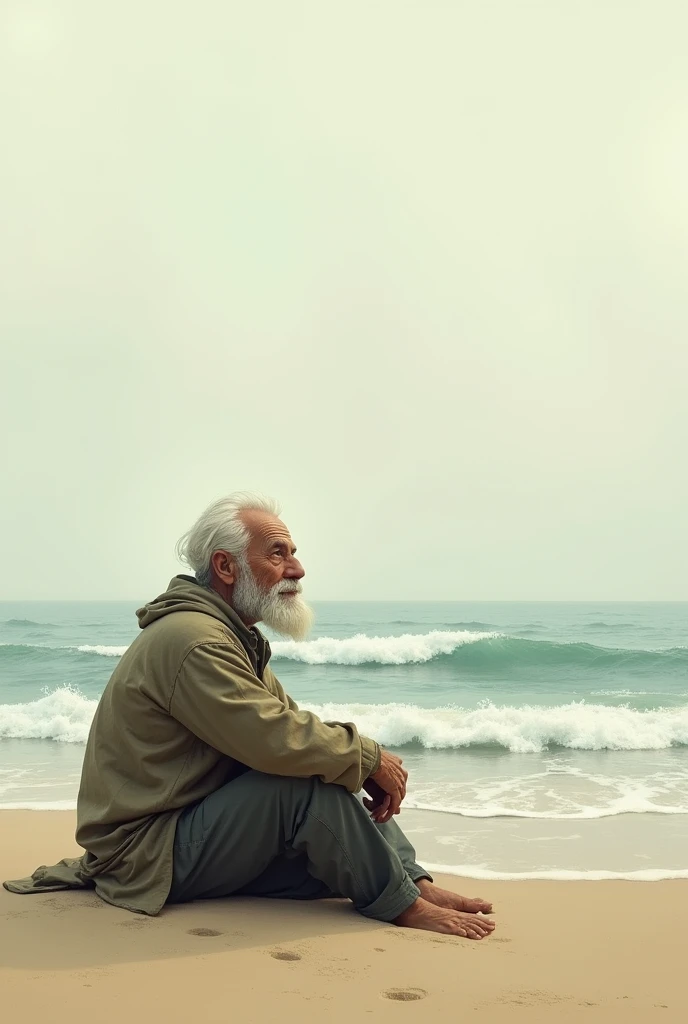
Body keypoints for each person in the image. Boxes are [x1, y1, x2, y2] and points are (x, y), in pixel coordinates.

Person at [4, 493, 494, 939]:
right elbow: (274, 739)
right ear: (226, 566)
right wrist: (367, 758)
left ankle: (409, 882)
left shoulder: (226, 632)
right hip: (146, 853)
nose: (297, 569)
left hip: (187, 831)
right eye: (278, 554)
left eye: (292, 553)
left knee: (330, 774)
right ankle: (401, 904)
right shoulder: (194, 640)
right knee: (308, 779)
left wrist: (359, 762)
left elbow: (288, 722)